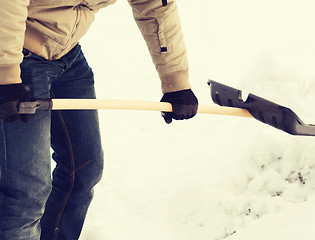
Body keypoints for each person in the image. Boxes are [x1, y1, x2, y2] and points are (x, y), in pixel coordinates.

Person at [0, 0, 198, 239]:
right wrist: (6, 73)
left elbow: (155, 5)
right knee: (26, 193)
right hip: (15, 51)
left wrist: (176, 79)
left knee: (83, 169)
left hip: (67, 54)